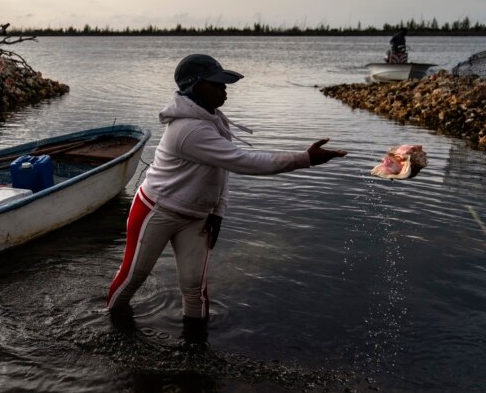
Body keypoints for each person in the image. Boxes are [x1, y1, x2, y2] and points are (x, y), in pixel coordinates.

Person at [105, 54, 347, 336]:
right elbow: (244, 162)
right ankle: (109, 327)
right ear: (195, 87)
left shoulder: (215, 121)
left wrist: (217, 211)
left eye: (224, 84)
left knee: (195, 287)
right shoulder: (189, 130)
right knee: (134, 277)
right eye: (217, 84)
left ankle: (195, 348)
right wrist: (304, 158)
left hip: (196, 216)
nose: (225, 90)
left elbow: (222, 171)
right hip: (157, 211)